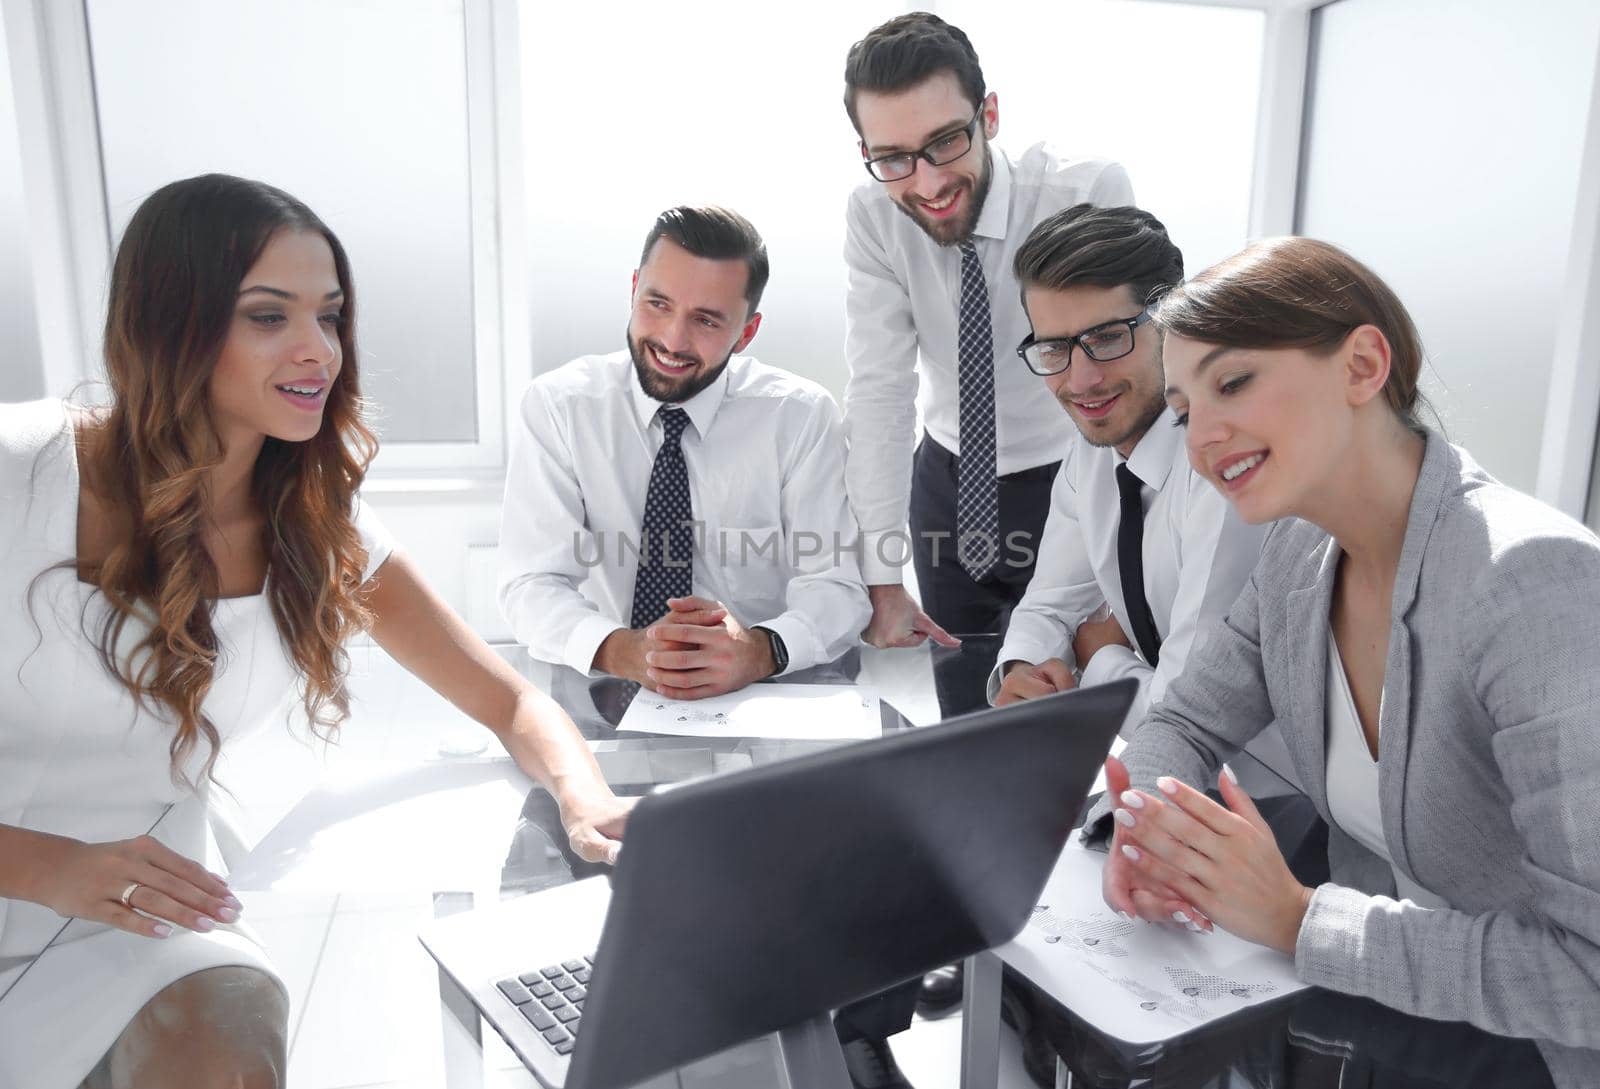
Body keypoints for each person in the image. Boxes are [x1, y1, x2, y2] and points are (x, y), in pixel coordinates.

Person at [0, 174, 631, 1089]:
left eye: (330, 316)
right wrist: (47, 864)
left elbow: (511, 697)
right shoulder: (20, 472)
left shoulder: (317, 525)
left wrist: (585, 795)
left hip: (144, 925)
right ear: (170, 323)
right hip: (33, 875)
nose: (318, 351)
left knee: (233, 1017)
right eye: (268, 316)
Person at [1090, 237, 1600, 1089]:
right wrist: (1152, 831)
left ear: (1362, 364)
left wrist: (1299, 919)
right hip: (1389, 992)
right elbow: (1183, 719)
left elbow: (1588, 975)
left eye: (1234, 382)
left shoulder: (1532, 582)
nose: (1204, 436)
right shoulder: (1298, 554)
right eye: (1182, 410)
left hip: (1532, 1049)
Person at [840, 12, 1135, 652]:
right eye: (893, 158)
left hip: (1072, 474)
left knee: (1062, 696)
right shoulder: (872, 215)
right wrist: (881, 577)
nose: (929, 182)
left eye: (946, 141)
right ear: (868, 154)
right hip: (945, 483)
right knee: (963, 702)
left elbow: (1136, 368)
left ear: (989, 116)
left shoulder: (1084, 192)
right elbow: (880, 390)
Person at [498, 206, 869, 695]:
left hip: (764, 692)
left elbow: (836, 586)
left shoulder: (800, 416)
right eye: (658, 304)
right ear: (634, 289)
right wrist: (622, 648)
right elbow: (530, 584)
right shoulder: (559, 407)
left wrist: (760, 650)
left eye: (707, 320)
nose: (673, 339)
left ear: (747, 332)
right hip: (609, 685)